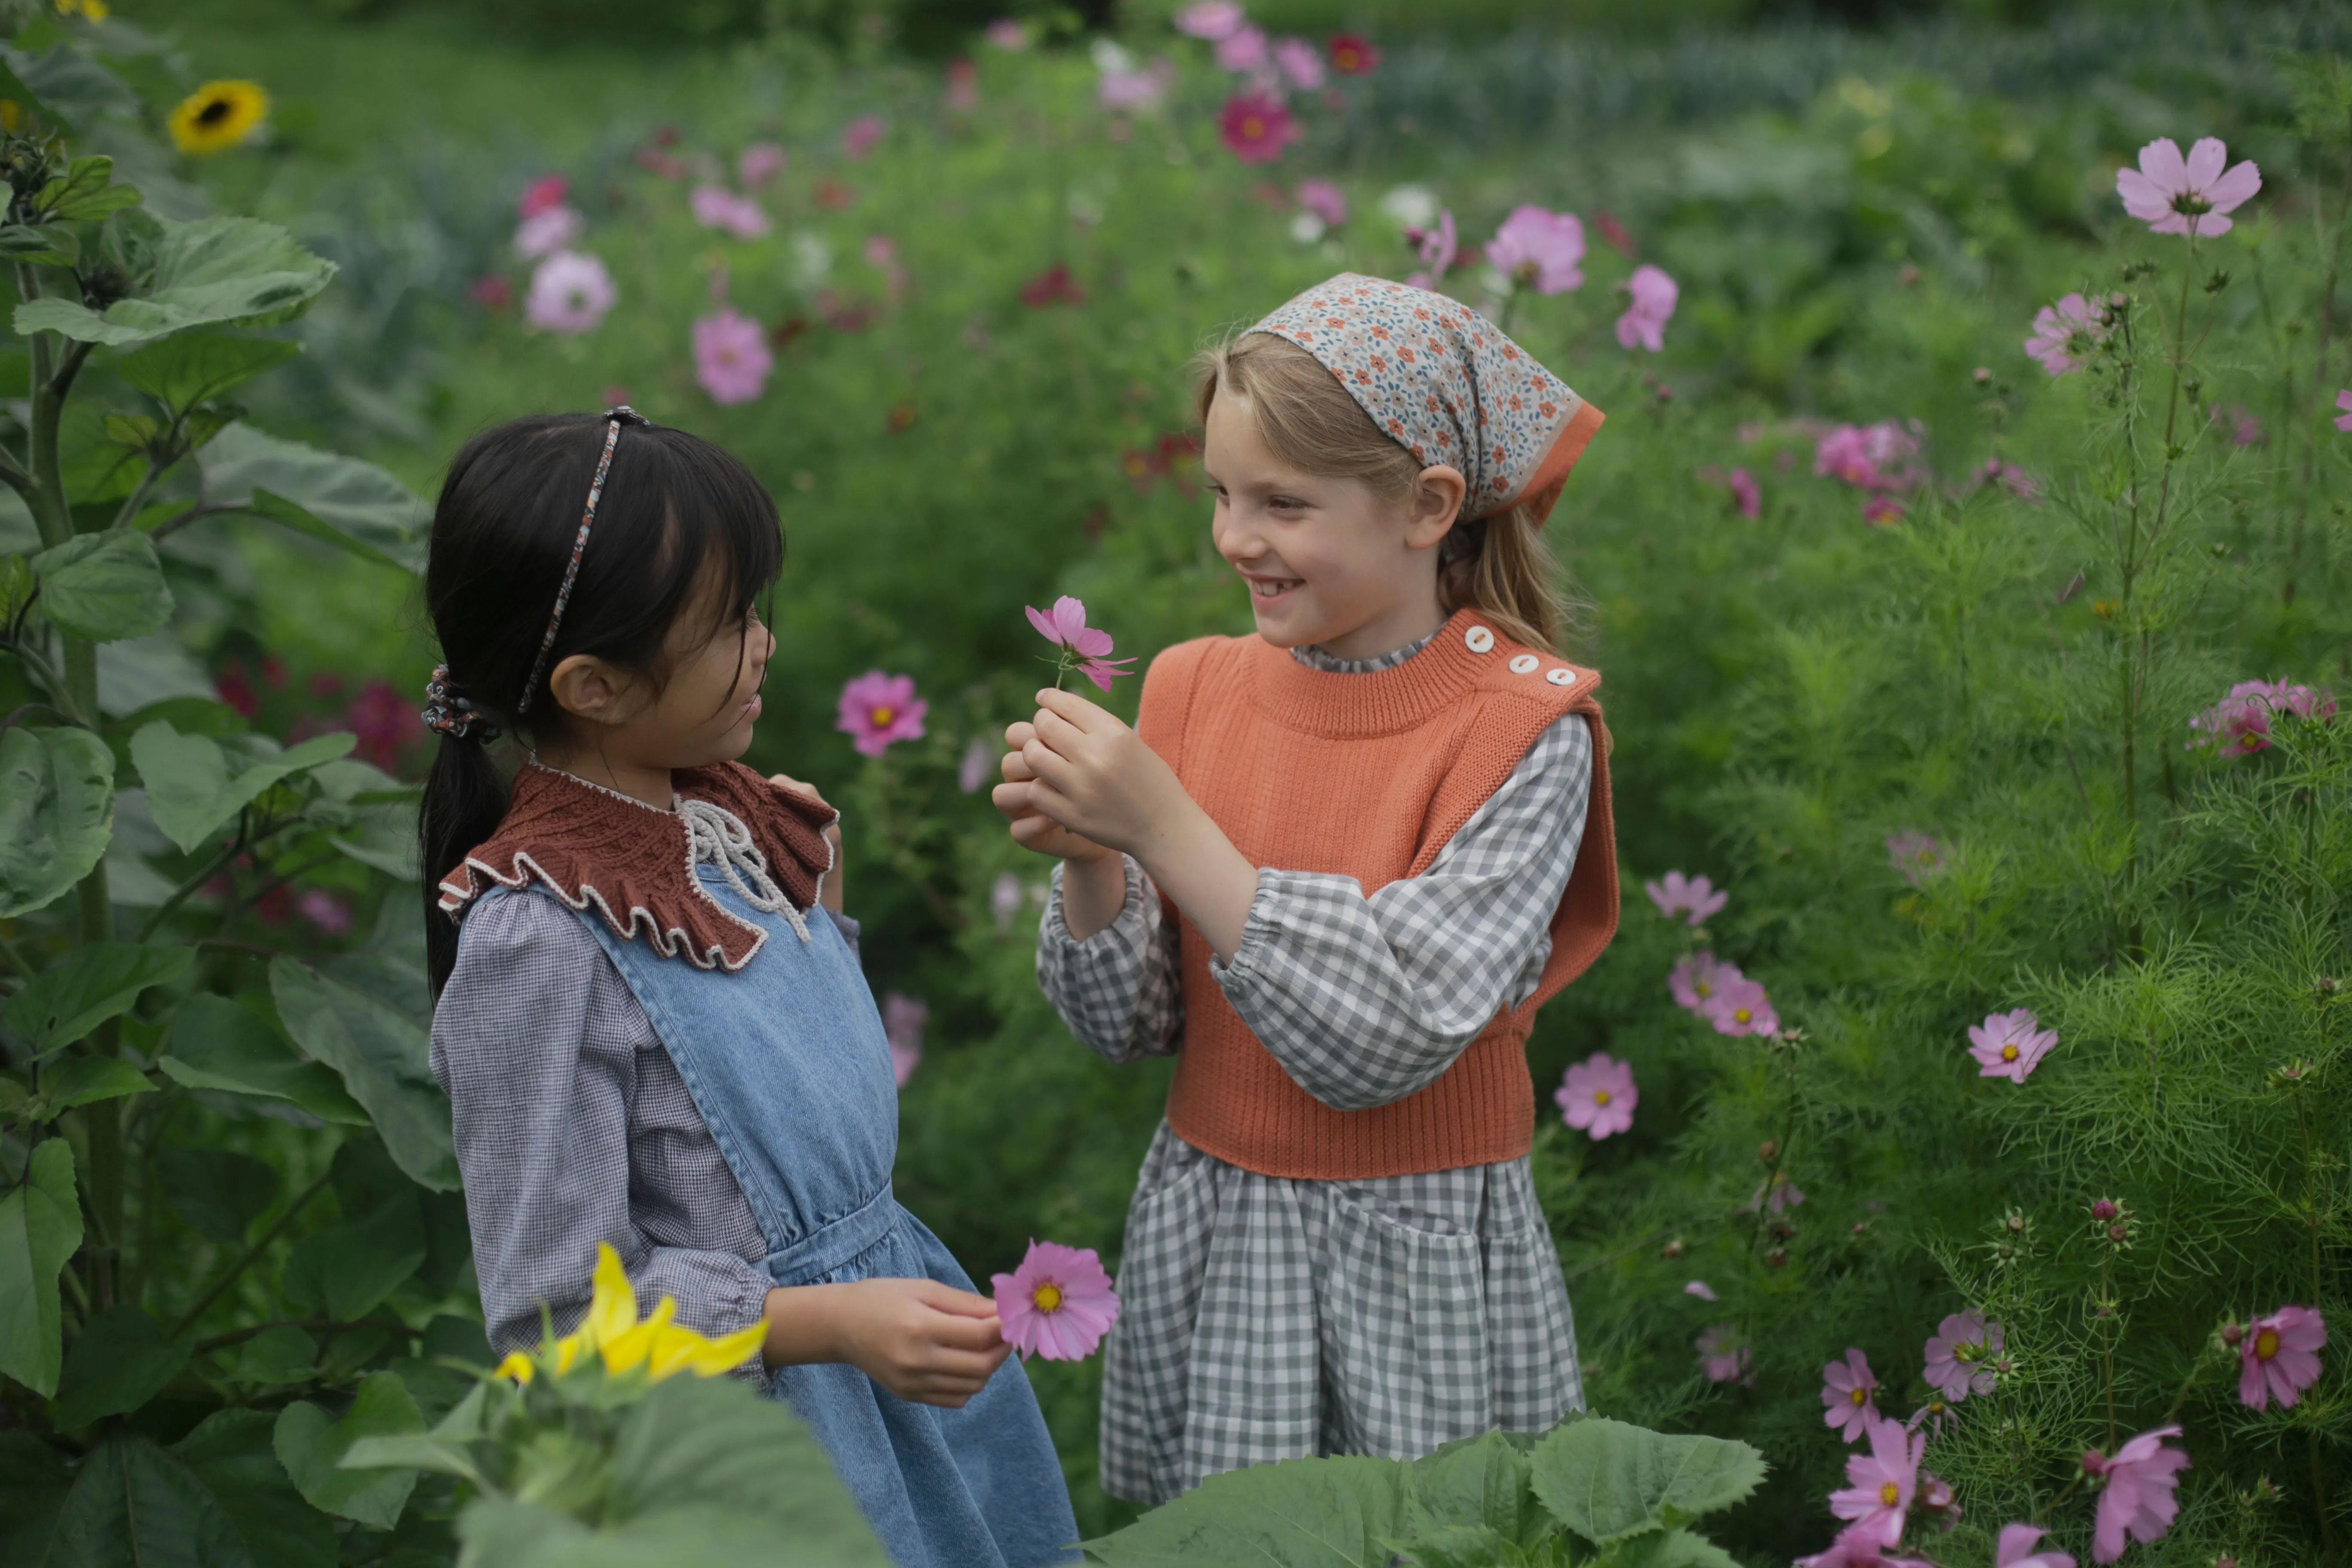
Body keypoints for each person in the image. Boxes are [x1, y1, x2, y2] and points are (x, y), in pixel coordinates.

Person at [996, 275, 1621, 1505]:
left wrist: (1163, 825)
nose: (1236, 537)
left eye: (1283, 503)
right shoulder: (1189, 687)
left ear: (1427, 508)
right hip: (1229, 1247)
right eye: (1223, 495)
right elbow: (1130, 1027)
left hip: (1417, 1264)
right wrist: (1092, 860)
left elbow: (1383, 1037)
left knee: (1421, 1530)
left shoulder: (1523, 731)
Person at [420, 410, 1076, 1568]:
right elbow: (555, 1322)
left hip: (884, 1376)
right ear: (594, 684)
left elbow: (781, 1098)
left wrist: (819, 908)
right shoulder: (539, 938)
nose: (763, 642)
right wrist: (822, 1321)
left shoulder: (722, 821)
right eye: (729, 623)